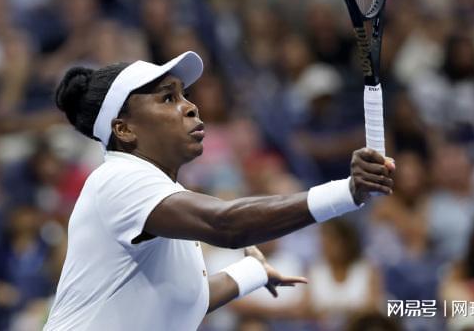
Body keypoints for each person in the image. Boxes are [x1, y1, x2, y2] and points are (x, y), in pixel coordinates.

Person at [44, 51, 395, 330]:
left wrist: (253, 272)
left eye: (184, 95)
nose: (190, 106)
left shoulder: (161, 200)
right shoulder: (119, 178)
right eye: (167, 98)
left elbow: (186, 299)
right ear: (124, 129)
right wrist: (348, 192)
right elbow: (225, 224)